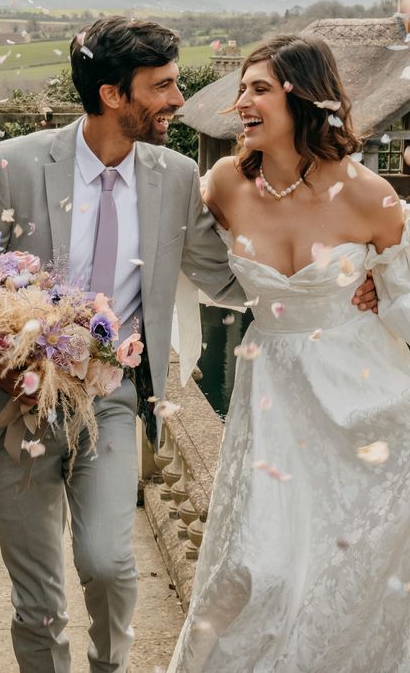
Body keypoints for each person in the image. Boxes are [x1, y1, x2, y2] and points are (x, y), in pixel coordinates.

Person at [0, 20, 375, 673]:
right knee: (38, 602)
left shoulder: (175, 179)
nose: (180, 99)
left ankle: (109, 667)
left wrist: (341, 276)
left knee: (110, 565)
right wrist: (1, 365)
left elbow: (233, 274)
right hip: (10, 410)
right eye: (164, 85)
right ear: (114, 94)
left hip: (113, 401)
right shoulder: (16, 164)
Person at [167, 35, 410, 673]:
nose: (240, 102)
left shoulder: (370, 195)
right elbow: (175, 253)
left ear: (303, 97)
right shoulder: (223, 183)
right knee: (260, 562)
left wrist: (375, 285)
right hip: (273, 389)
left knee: (355, 568)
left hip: (367, 399)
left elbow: (406, 299)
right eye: (243, 88)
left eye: (259, 89)